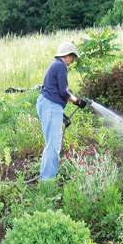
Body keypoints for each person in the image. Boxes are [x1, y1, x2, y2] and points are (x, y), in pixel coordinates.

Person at [36, 42, 87, 180]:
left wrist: (61, 114)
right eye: (73, 57)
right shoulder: (61, 66)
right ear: (68, 56)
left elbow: (54, 90)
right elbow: (64, 92)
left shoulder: (55, 65)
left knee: (51, 143)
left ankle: (47, 176)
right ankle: (47, 180)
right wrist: (78, 101)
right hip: (50, 105)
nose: (73, 60)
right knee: (53, 144)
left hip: (49, 104)